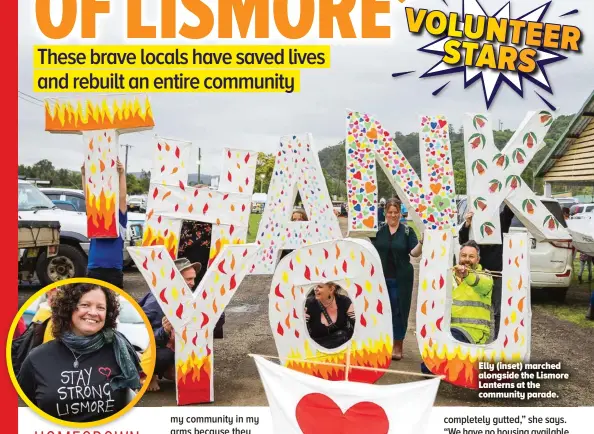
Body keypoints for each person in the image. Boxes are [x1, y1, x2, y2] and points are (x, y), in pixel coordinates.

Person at [17, 283, 142, 423]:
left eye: (101, 307)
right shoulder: (37, 358)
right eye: (85, 305)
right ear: (68, 308)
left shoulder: (120, 352)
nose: (93, 312)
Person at [139, 258, 202, 392]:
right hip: (154, 348)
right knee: (164, 355)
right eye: (188, 279)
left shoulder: (188, 296)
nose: (193, 283)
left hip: (174, 344)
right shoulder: (157, 300)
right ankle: (150, 375)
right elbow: (141, 335)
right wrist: (164, 330)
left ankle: (168, 369)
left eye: (194, 279)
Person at [372, 198, 423, 360]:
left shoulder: (407, 231)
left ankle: (398, 344)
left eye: (396, 212)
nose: (393, 215)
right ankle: (382, 342)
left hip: (401, 279)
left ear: (400, 213)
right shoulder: (378, 232)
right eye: (390, 212)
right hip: (380, 278)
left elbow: (414, 253)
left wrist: (422, 242)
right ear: (385, 213)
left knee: (398, 311)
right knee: (380, 310)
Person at [459, 206, 514, 341]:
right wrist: (467, 224)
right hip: (476, 274)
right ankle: (472, 336)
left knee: (498, 311)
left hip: (496, 275)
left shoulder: (501, 220)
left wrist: (507, 188)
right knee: (475, 307)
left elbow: (510, 209)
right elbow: (463, 242)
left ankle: (497, 340)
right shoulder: (473, 220)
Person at [83, 159, 128, 289]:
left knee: (113, 307)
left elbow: (122, 198)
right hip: (94, 269)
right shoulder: (95, 218)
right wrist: (84, 175)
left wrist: (121, 174)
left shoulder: (120, 221)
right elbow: (88, 198)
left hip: (113, 271)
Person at [451, 241, 494, 344]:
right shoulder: (449, 275)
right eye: (463, 256)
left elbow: (480, 283)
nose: (466, 259)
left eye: (471, 256)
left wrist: (466, 275)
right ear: (458, 257)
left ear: (478, 260)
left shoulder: (486, 277)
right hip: (449, 329)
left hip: (474, 332)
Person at [305, 283, 355, 349]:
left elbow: (357, 325)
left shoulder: (344, 301)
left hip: (342, 350)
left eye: (319, 286)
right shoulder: (308, 305)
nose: (315, 289)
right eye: (314, 286)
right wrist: (301, 318)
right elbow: (300, 332)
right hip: (317, 351)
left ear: (331, 289)